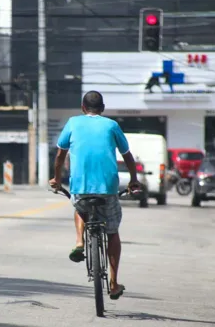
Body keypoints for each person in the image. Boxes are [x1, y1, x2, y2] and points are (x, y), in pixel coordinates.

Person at [49, 90, 141, 300]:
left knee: (79, 207)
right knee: (113, 231)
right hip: (108, 188)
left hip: (80, 187)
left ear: (83, 107)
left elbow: (60, 156)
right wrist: (134, 180)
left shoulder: (73, 123)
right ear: (103, 109)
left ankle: (80, 242)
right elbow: (127, 156)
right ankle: (114, 282)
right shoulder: (111, 125)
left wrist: (56, 179)